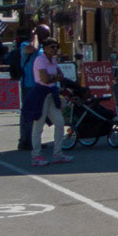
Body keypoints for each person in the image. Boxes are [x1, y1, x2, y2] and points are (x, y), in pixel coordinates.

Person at [27, 36, 73, 167]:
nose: (54, 49)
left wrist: (53, 77)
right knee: (38, 126)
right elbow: (44, 79)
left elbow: (60, 75)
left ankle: (58, 153)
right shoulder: (40, 60)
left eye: (56, 47)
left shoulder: (52, 60)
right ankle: (36, 156)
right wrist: (54, 77)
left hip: (52, 94)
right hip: (41, 94)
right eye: (52, 47)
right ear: (45, 48)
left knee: (60, 122)